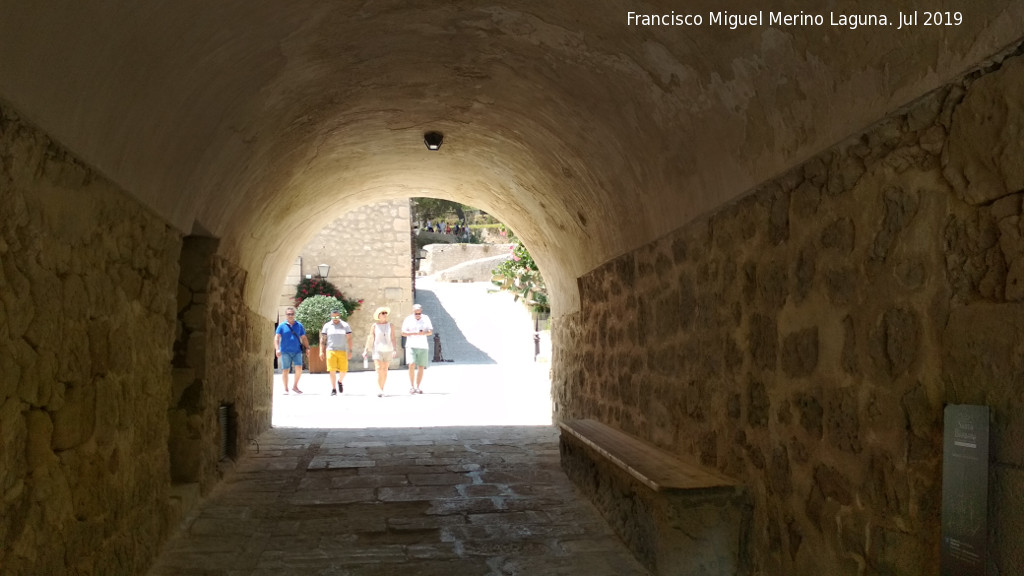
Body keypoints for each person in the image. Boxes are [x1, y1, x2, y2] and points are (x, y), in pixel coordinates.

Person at [274, 306, 309, 394]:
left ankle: (295, 386)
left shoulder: (299, 325)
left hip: (297, 351)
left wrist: (307, 348)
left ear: (294, 315)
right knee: (285, 370)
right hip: (285, 351)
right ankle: (286, 388)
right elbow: (276, 338)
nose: (290, 316)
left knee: (299, 369)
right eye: (289, 314)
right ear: (286, 315)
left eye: (292, 314)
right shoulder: (281, 326)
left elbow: (303, 337)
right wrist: (277, 349)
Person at [320, 308, 353, 396]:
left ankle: (340, 381)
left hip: (342, 350)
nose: (335, 318)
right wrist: (321, 351)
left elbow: (349, 338)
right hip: (330, 350)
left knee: (344, 370)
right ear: (331, 316)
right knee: (332, 370)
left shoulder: (345, 325)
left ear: (339, 316)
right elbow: (323, 339)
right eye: (333, 316)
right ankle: (334, 389)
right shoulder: (327, 326)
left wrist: (350, 351)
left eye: (337, 316)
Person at [401, 304, 433, 394]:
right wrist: (413, 333)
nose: (418, 315)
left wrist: (424, 333)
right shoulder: (408, 319)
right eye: (416, 313)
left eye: (419, 313)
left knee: (421, 366)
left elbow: (430, 331)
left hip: (423, 345)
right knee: (411, 364)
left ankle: (418, 386)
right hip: (411, 345)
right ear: (413, 312)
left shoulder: (426, 318)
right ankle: (411, 386)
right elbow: (403, 333)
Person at [368, 306, 397, 397]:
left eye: (385, 313)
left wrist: (394, 349)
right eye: (383, 313)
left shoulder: (390, 325)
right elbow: (371, 338)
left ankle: (382, 388)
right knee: (379, 368)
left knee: (385, 370)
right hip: (377, 350)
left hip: (388, 350)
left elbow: (393, 338)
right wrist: (366, 350)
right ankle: (379, 389)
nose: (385, 315)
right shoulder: (374, 326)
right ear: (378, 315)